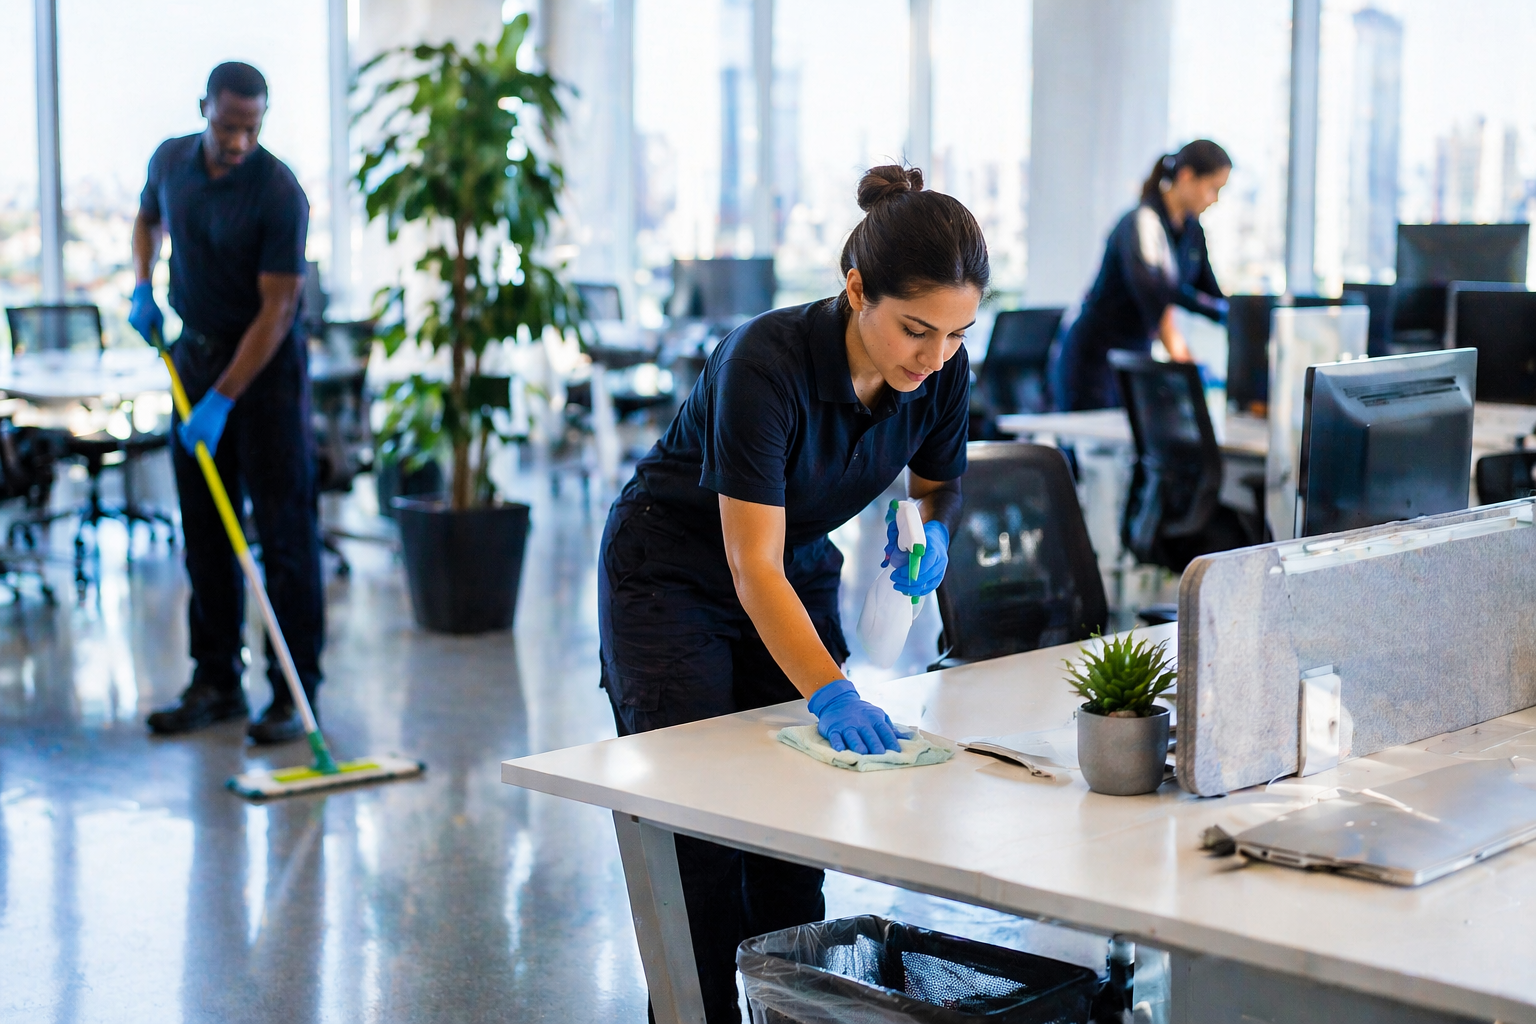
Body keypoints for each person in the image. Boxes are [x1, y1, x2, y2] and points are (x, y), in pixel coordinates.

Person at [598, 164, 986, 1023]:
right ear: (856, 289)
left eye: (958, 334)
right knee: (697, 829)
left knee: (789, 835)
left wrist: (933, 526)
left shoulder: (942, 368)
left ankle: (787, 1012)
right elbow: (750, 568)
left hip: (792, 559)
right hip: (673, 573)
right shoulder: (762, 362)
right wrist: (831, 690)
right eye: (917, 330)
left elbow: (939, 481)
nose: (936, 357)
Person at [129, 62, 324, 744]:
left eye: (252, 126)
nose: (239, 140)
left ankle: (294, 693)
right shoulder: (171, 160)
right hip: (195, 355)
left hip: (266, 374)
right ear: (204, 108)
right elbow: (147, 219)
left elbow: (276, 314)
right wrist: (142, 285)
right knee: (206, 531)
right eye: (227, 125)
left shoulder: (278, 192)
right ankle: (216, 679)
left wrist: (220, 400)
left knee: (283, 535)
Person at [1051, 139, 1232, 412]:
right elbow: (1155, 294)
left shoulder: (1192, 232)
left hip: (1135, 355)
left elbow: (1209, 296)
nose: (1215, 199)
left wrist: (1245, 320)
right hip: (1096, 359)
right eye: (1212, 188)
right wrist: (1180, 354)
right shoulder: (1141, 223)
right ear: (1186, 177)